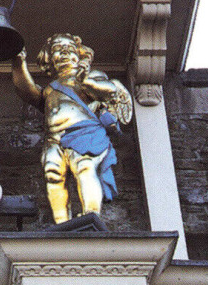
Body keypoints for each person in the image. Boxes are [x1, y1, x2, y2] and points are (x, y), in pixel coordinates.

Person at [11, 33, 132, 223]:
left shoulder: (91, 75)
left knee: (84, 168)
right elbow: (28, 91)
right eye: (58, 49)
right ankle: (62, 223)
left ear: (80, 55)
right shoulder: (50, 88)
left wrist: (85, 79)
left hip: (83, 132)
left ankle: (91, 213)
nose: (65, 52)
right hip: (54, 139)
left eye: (70, 48)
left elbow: (109, 91)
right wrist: (19, 63)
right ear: (49, 59)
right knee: (53, 177)